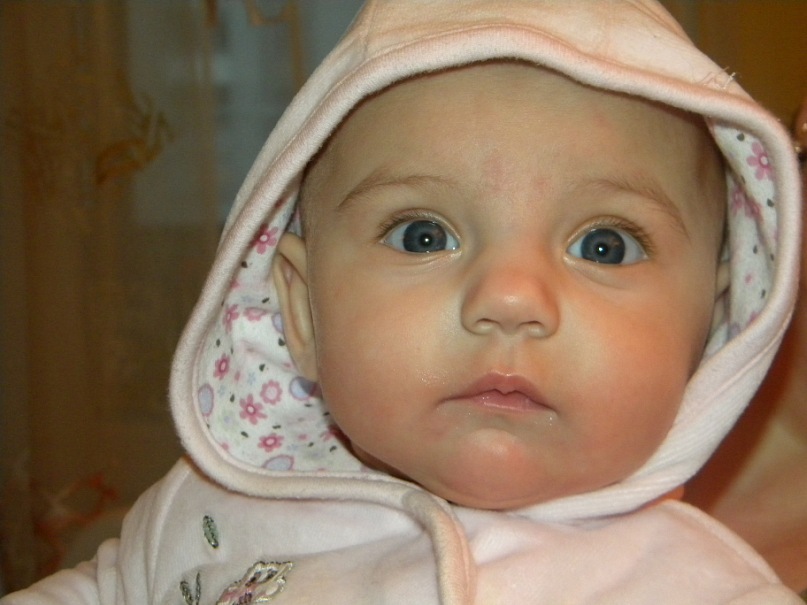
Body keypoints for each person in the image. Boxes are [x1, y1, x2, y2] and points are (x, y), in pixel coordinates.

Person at [2, 1, 803, 603]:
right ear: (303, 312)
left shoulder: (706, 586)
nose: (509, 298)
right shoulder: (209, 515)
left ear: (708, 326)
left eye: (604, 246)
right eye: (423, 235)